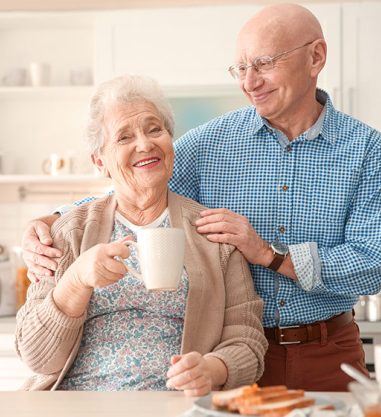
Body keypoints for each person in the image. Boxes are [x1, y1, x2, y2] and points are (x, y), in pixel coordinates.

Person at [22, 3, 381, 391]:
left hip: (326, 348)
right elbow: (136, 183)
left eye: (264, 63)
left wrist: (269, 254)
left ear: (315, 56)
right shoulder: (210, 143)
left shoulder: (366, 150)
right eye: (241, 68)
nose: (250, 82)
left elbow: (369, 266)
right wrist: (52, 221)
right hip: (239, 357)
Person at [14, 75, 267, 395]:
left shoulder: (212, 234)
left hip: (174, 406)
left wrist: (213, 369)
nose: (145, 144)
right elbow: (36, 356)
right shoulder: (68, 234)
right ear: (99, 161)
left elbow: (247, 342)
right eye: (124, 137)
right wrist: (76, 280)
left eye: (154, 129)